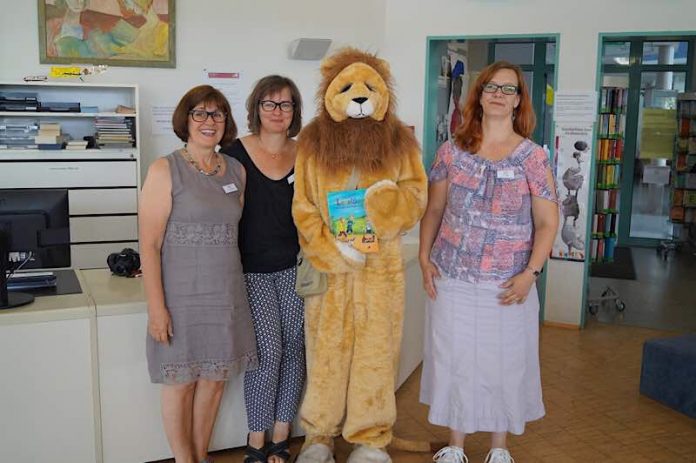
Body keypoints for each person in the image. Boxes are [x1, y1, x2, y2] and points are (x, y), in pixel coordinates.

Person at [419, 61, 559, 463]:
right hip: (453, 277)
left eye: (508, 89)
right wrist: (424, 256)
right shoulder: (451, 152)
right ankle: (455, 446)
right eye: (491, 87)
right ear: (479, 95)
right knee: (455, 357)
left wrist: (531, 273)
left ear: (518, 101)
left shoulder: (533, 157)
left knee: (506, 361)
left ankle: (499, 448)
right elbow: (434, 211)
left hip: (508, 283)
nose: (499, 94)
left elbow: (548, 222)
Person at [140, 85, 258, 463]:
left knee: (214, 381)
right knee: (181, 382)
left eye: (218, 114)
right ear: (186, 121)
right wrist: (157, 309)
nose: (210, 122)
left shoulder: (236, 171)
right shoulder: (164, 169)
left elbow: (234, 232)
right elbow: (150, 245)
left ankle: (200, 454)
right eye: (201, 114)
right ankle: (183, 459)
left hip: (226, 294)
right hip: (180, 296)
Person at [220, 75, 304, 463]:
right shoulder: (233, 153)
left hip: (295, 266)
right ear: (256, 109)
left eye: (285, 105)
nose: (277, 112)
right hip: (250, 269)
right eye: (270, 104)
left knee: (295, 350)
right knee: (268, 352)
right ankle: (256, 438)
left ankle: (282, 434)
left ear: (294, 112)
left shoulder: (305, 154)